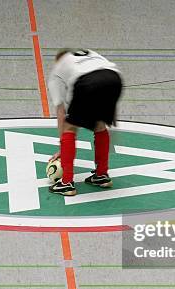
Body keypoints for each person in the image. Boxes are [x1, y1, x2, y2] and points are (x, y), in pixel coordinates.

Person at [47, 48, 123, 196]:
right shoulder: (88, 54)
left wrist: (63, 147)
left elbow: (61, 112)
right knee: (99, 125)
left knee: (70, 127)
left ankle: (66, 183)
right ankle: (101, 175)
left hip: (88, 82)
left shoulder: (56, 72)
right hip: (115, 79)